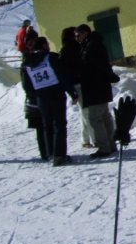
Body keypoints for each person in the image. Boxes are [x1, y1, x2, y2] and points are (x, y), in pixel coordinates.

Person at [20, 36, 77, 166]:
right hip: (55, 92)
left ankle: (50, 154)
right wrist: (72, 92)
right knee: (59, 124)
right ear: (44, 46)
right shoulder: (50, 57)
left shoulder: (27, 63)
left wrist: (34, 96)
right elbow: (62, 75)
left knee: (47, 126)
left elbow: (26, 85)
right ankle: (59, 155)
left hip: (40, 96)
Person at [76, 24, 118, 158]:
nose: (77, 38)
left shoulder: (90, 47)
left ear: (85, 33)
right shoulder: (96, 44)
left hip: (94, 88)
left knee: (96, 119)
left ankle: (104, 148)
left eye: (78, 35)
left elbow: (92, 67)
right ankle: (111, 145)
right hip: (101, 87)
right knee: (105, 117)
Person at [59, 26, 92, 149]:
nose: (77, 36)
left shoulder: (65, 51)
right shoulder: (75, 49)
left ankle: (88, 139)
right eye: (75, 34)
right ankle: (87, 139)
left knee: (85, 112)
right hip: (80, 83)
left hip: (76, 84)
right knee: (86, 111)